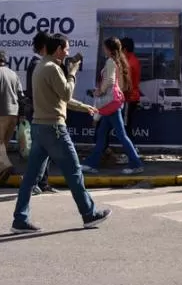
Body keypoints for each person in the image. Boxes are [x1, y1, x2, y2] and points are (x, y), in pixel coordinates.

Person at [11, 33, 110, 234]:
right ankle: (89, 214)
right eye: (66, 48)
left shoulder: (41, 67)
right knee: (74, 171)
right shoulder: (53, 68)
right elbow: (66, 93)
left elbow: (59, 99)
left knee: (30, 177)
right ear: (57, 49)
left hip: (40, 127)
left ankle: (19, 219)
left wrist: (84, 107)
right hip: (54, 128)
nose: (68, 52)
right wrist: (73, 72)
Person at [82, 38, 144, 175]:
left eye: (104, 47)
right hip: (113, 104)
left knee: (120, 136)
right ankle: (91, 163)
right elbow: (119, 84)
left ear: (108, 49)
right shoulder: (119, 62)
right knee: (102, 134)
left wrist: (100, 91)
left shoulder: (110, 61)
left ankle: (136, 163)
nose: (103, 50)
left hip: (110, 104)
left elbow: (109, 81)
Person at [24, 31, 56, 194]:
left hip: (40, 112)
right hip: (39, 113)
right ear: (45, 46)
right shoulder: (38, 64)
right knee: (41, 150)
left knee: (44, 150)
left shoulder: (40, 63)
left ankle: (41, 183)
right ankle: (33, 182)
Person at [0, 50, 23, 186]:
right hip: (14, 112)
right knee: (3, 143)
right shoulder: (13, 74)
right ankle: (3, 169)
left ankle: (5, 167)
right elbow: (20, 94)